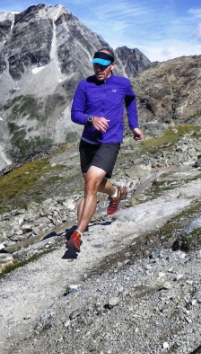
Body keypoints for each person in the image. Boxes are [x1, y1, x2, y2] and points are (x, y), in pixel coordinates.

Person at [66, 48, 143, 253]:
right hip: (87, 142)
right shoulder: (85, 85)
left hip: (111, 140)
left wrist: (134, 125)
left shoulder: (123, 84)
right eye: (96, 64)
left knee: (90, 185)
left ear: (113, 66)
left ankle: (77, 234)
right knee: (95, 184)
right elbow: (75, 114)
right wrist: (92, 119)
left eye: (103, 65)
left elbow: (131, 101)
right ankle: (116, 193)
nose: (99, 68)